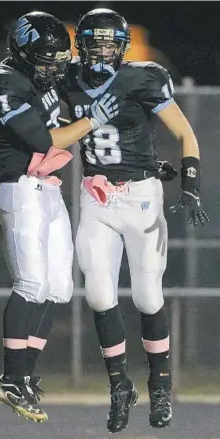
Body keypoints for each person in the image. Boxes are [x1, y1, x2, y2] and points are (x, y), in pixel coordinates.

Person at [59, 8, 209, 434]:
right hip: (96, 195)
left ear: (123, 46)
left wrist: (191, 185)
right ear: (81, 43)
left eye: (110, 42)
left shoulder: (144, 77)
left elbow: (185, 133)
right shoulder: (66, 77)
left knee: (146, 296)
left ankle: (159, 385)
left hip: (142, 195)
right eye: (94, 40)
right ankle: (119, 385)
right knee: (98, 294)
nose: (102, 49)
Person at [0, 10, 116, 423]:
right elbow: (41, 139)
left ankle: (25, 375)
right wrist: (91, 120)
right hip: (20, 188)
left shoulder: (39, 71)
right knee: (32, 283)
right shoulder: (2, 85)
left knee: (58, 289)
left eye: (58, 59)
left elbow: (85, 71)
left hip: (47, 187)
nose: (54, 68)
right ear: (20, 53)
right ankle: (11, 378)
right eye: (46, 61)